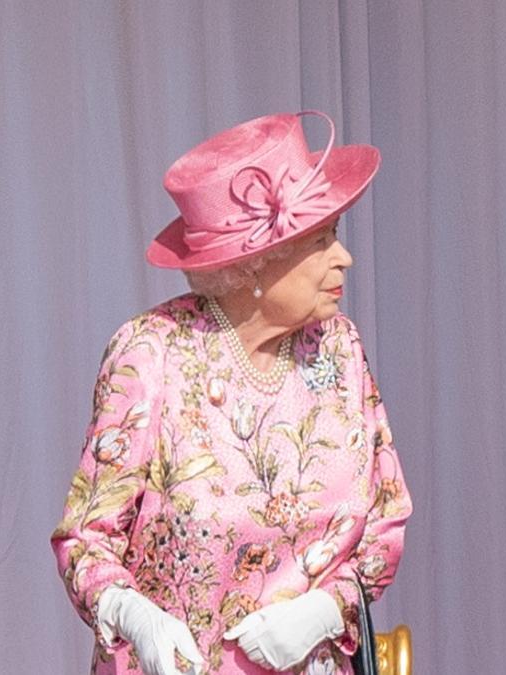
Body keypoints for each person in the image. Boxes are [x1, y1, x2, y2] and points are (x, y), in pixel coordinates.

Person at [51, 111, 411, 675]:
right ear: (253, 267)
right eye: (320, 241)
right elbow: (85, 539)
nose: (344, 258)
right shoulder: (152, 353)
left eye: (334, 236)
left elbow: (386, 518)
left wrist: (323, 609)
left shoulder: (339, 347)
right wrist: (134, 616)